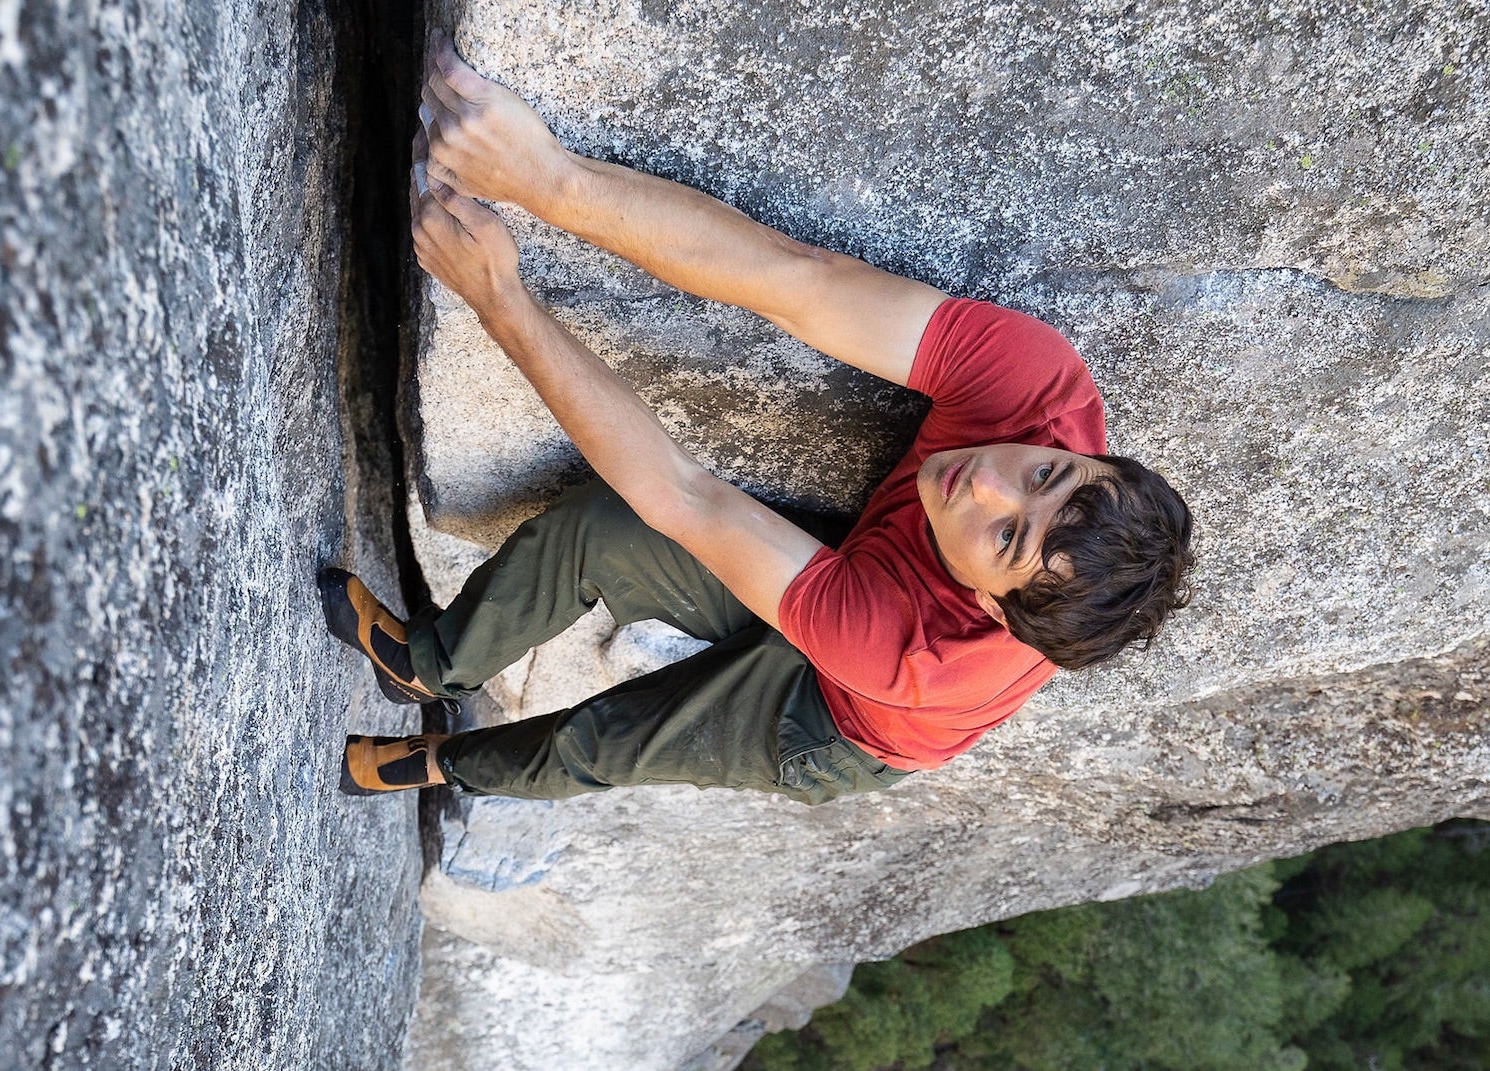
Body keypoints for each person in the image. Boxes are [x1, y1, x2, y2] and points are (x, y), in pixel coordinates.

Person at [323, 36, 1193, 803]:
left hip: (841, 720)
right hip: (855, 572)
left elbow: (686, 495)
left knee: (608, 740)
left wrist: (502, 301)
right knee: (592, 531)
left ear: (997, 611)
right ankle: (427, 664)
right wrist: (545, 178)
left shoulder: (911, 654)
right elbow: (792, 281)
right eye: (1047, 473)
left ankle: (442, 765)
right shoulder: (1044, 395)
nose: (990, 482)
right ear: (1090, 458)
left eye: (1007, 538)